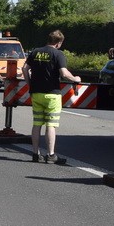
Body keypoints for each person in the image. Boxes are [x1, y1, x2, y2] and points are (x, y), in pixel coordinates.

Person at [22, 29, 81, 164]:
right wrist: (75, 79)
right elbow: (64, 73)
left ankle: (35, 154)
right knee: (51, 125)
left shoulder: (35, 52)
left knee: (37, 124)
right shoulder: (58, 54)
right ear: (59, 43)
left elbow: (25, 69)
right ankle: (50, 155)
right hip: (52, 95)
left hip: (36, 93)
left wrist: (30, 84)